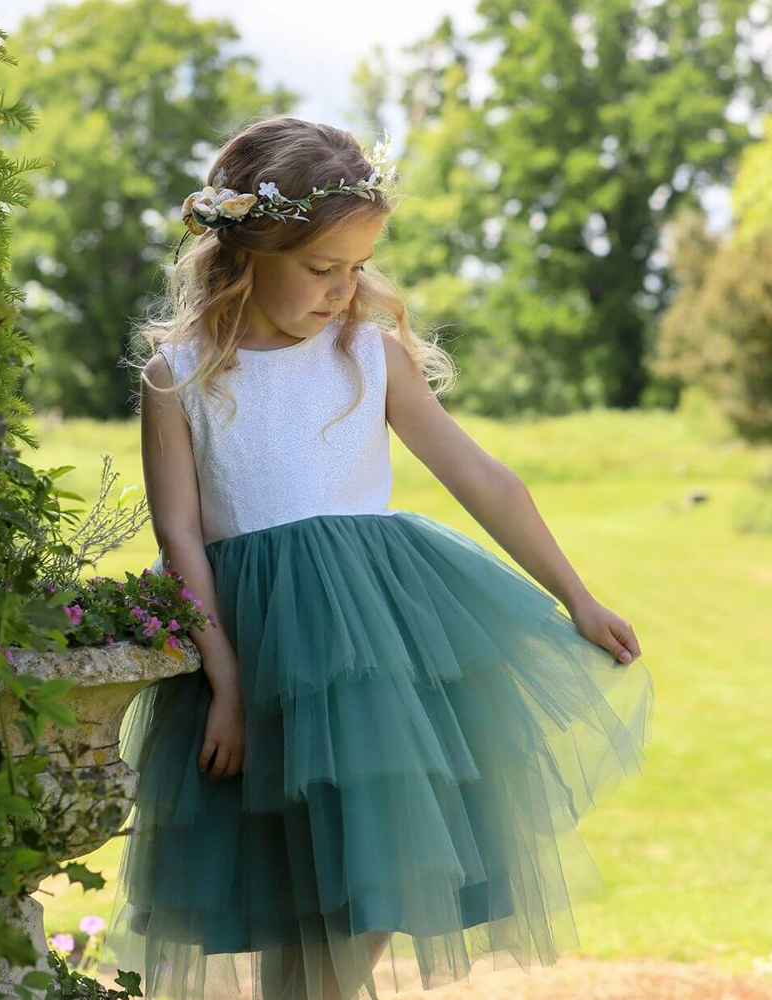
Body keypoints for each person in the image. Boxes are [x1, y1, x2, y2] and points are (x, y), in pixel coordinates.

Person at [103, 116, 655, 1000]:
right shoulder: (182, 374)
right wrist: (228, 686)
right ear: (244, 252)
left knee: (373, 876)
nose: (341, 288)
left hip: (375, 646)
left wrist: (575, 595)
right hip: (251, 643)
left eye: (356, 268)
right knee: (283, 884)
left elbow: (484, 478)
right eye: (321, 269)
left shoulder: (366, 351)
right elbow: (179, 536)